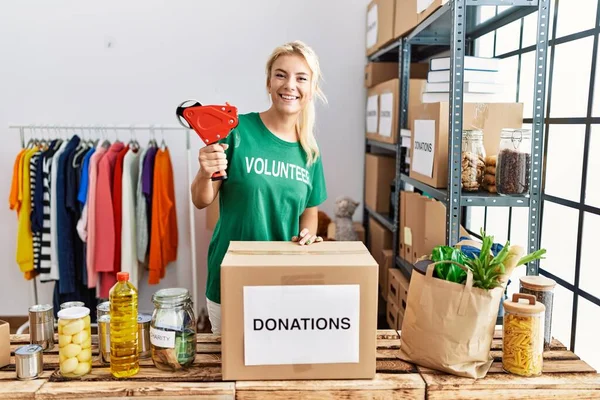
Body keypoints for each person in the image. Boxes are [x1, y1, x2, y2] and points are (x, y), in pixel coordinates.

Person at [190, 40, 328, 334]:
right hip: (229, 280)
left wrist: (308, 235)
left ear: (311, 89)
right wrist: (204, 172)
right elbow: (202, 200)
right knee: (226, 375)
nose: (290, 85)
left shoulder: (310, 153)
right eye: (281, 74)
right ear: (268, 82)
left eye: (301, 78)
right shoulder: (236, 131)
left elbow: (310, 212)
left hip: (283, 285)